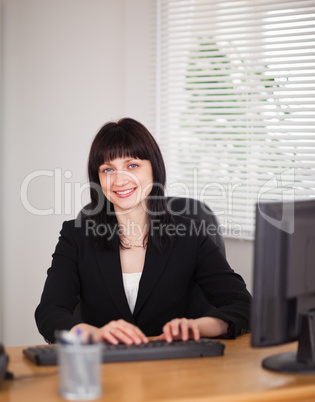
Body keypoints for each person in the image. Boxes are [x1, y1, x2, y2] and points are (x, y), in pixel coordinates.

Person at [35, 117, 252, 345]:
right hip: (105, 369)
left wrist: (197, 327)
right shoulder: (76, 236)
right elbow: (49, 313)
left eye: (132, 165)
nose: (120, 180)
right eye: (108, 169)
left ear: (154, 169)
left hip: (176, 369)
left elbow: (243, 305)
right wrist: (93, 334)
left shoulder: (190, 234)